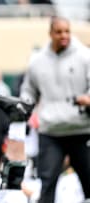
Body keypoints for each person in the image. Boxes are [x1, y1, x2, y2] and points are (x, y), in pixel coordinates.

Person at [20, 16, 90, 202]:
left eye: (67, 31)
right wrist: (24, 105)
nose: (63, 35)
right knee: (47, 184)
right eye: (59, 32)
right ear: (50, 33)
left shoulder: (85, 56)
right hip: (51, 131)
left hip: (81, 130)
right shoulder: (37, 61)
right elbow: (28, 91)